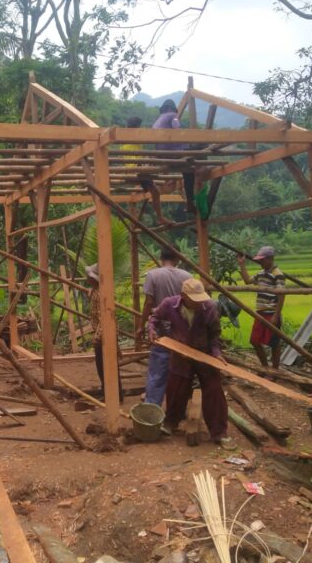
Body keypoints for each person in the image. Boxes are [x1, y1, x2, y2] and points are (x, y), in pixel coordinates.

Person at [150, 278, 233, 449]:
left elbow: (215, 335)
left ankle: (219, 433)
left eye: (200, 299)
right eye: (194, 299)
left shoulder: (210, 307)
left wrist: (216, 354)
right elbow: (154, 317)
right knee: (176, 389)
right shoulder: (169, 304)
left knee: (214, 390)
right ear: (183, 296)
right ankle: (171, 422)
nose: (198, 303)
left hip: (205, 354)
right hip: (181, 353)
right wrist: (151, 329)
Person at [139, 247, 192, 407]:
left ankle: (152, 408)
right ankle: (177, 407)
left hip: (161, 328)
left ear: (161, 258)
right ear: (177, 259)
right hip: (182, 329)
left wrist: (141, 325)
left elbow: (149, 303)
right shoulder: (187, 276)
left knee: (158, 369)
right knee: (180, 368)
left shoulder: (153, 275)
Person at [237, 245, 285, 369]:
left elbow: (281, 295)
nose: (260, 263)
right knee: (254, 341)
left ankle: (274, 371)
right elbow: (248, 281)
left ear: (270, 259)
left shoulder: (278, 274)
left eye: (262, 260)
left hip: (271, 312)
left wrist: (276, 315)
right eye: (260, 260)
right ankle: (265, 367)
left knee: (274, 344)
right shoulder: (261, 273)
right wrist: (242, 264)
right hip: (260, 313)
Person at [86, 264, 123, 402]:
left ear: (94, 278)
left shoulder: (102, 293)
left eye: (89, 276)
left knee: (106, 366)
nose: (87, 278)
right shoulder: (96, 290)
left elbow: (104, 318)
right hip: (103, 332)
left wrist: (97, 337)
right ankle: (109, 393)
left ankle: (114, 395)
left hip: (105, 334)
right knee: (104, 366)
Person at [152, 99, 197, 214]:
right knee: (191, 168)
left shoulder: (156, 122)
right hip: (174, 152)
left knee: (187, 170)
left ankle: (189, 201)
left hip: (163, 155)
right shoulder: (173, 116)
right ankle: (190, 201)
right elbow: (177, 130)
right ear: (171, 108)